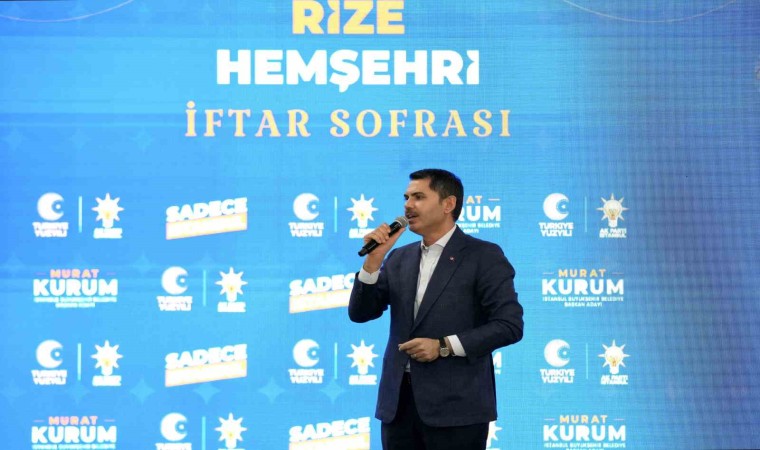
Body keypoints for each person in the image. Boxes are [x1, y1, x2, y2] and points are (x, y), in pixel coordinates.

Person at [348, 169, 524, 450]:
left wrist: (443, 346)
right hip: (398, 407)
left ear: (448, 204)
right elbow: (361, 313)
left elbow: (509, 325)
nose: (408, 205)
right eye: (406, 197)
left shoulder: (483, 255)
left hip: (457, 410)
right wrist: (373, 262)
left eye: (418, 197)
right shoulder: (398, 257)